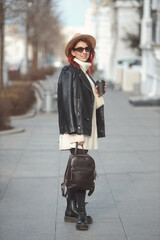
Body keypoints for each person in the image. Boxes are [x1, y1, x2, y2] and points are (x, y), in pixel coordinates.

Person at [57, 33, 106, 230]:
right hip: (77, 130)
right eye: (80, 49)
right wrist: (76, 134)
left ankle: (71, 210)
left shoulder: (84, 72)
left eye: (87, 49)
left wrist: (98, 94)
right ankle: (81, 215)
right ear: (72, 52)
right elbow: (67, 103)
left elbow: (89, 105)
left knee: (76, 169)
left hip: (85, 127)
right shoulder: (70, 71)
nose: (84, 52)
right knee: (81, 171)